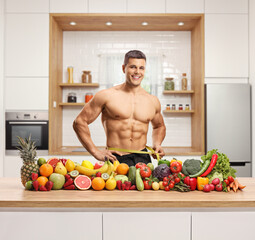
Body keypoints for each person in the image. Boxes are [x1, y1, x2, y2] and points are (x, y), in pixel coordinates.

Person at [73, 50, 166, 166]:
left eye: (141, 68)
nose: (137, 72)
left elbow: (159, 126)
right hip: (116, 158)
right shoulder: (106, 96)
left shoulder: (152, 101)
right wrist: (95, 152)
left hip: (143, 158)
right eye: (133, 67)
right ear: (124, 68)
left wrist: (157, 144)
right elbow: (79, 122)